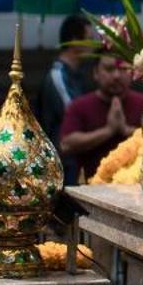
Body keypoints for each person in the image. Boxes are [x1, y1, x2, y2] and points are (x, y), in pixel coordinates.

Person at [58, 53, 143, 182]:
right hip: (91, 187)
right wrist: (108, 130)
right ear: (96, 73)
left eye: (123, 69)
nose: (116, 76)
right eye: (109, 69)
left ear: (132, 72)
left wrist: (126, 130)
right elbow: (66, 144)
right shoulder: (79, 106)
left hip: (137, 188)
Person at [39, 15, 92, 173]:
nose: (93, 45)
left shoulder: (76, 74)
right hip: (61, 160)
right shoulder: (57, 76)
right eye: (89, 39)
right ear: (75, 40)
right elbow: (73, 112)